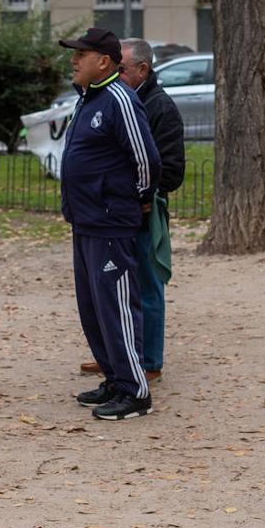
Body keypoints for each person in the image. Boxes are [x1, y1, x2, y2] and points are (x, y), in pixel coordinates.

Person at [59, 27, 162, 420]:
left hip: (109, 222)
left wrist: (135, 201)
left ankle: (136, 391)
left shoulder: (121, 98)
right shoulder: (89, 98)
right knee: (94, 308)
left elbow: (145, 160)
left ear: (103, 61)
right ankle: (116, 380)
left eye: (80, 54)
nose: (73, 60)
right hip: (84, 221)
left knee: (117, 306)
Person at [79, 38, 184, 383]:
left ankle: (149, 359)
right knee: (115, 286)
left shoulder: (159, 107)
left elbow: (168, 168)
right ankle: (120, 353)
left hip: (142, 208)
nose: (117, 73)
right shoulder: (116, 99)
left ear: (143, 69)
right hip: (115, 210)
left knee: (147, 283)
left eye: (122, 68)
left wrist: (142, 196)